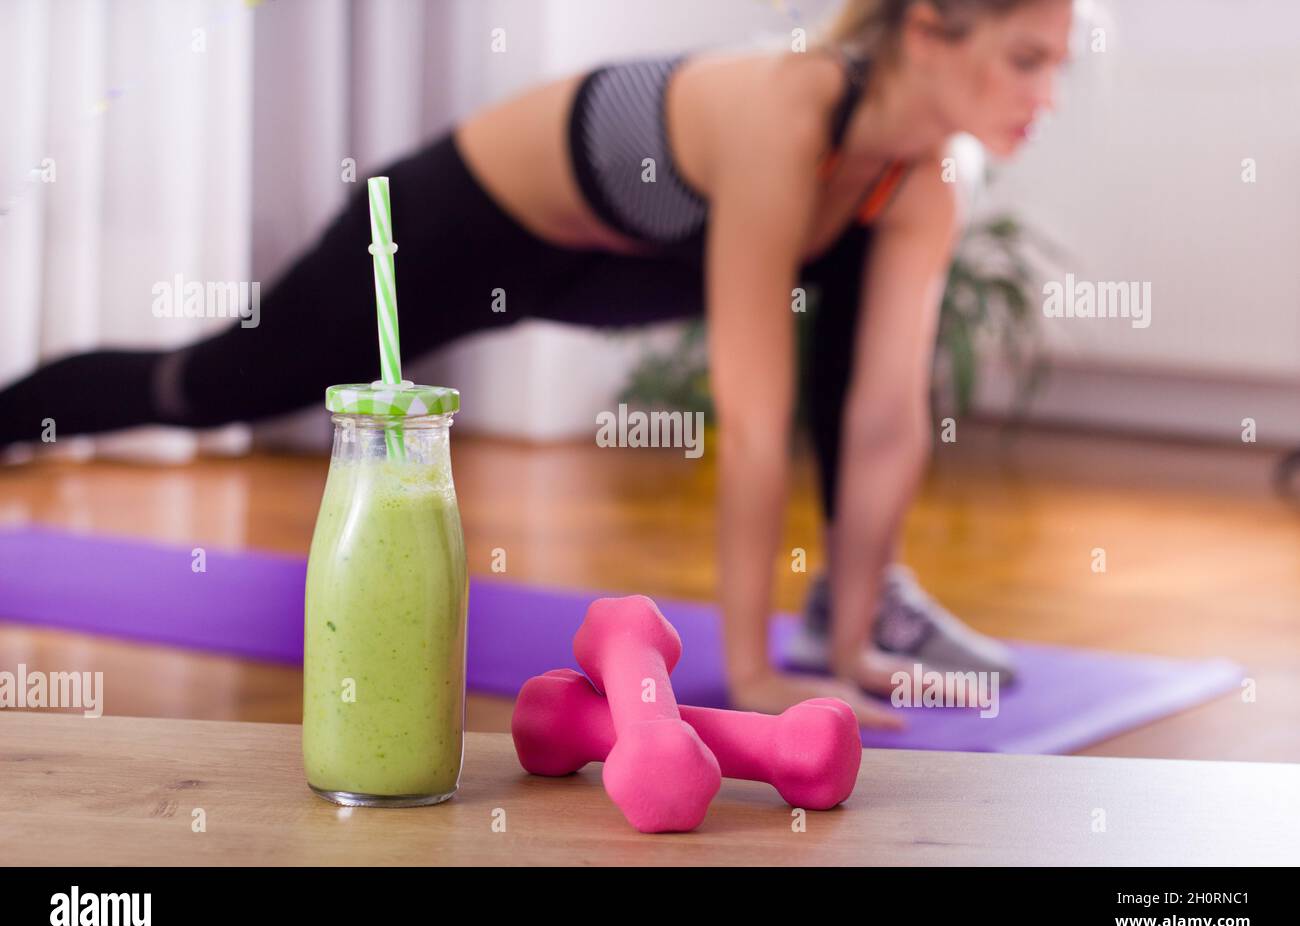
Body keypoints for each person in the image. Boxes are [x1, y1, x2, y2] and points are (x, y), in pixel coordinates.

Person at [0, 0, 1074, 728]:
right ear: (929, 31)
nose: (1047, 93)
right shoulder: (789, 108)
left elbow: (883, 419)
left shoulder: (925, 179)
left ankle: (855, 613)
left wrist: (840, 667)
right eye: (1026, 60)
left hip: (592, 274)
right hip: (455, 230)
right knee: (215, 384)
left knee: (858, 372)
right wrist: (748, 677)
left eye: (1058, 64)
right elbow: (751, 421)